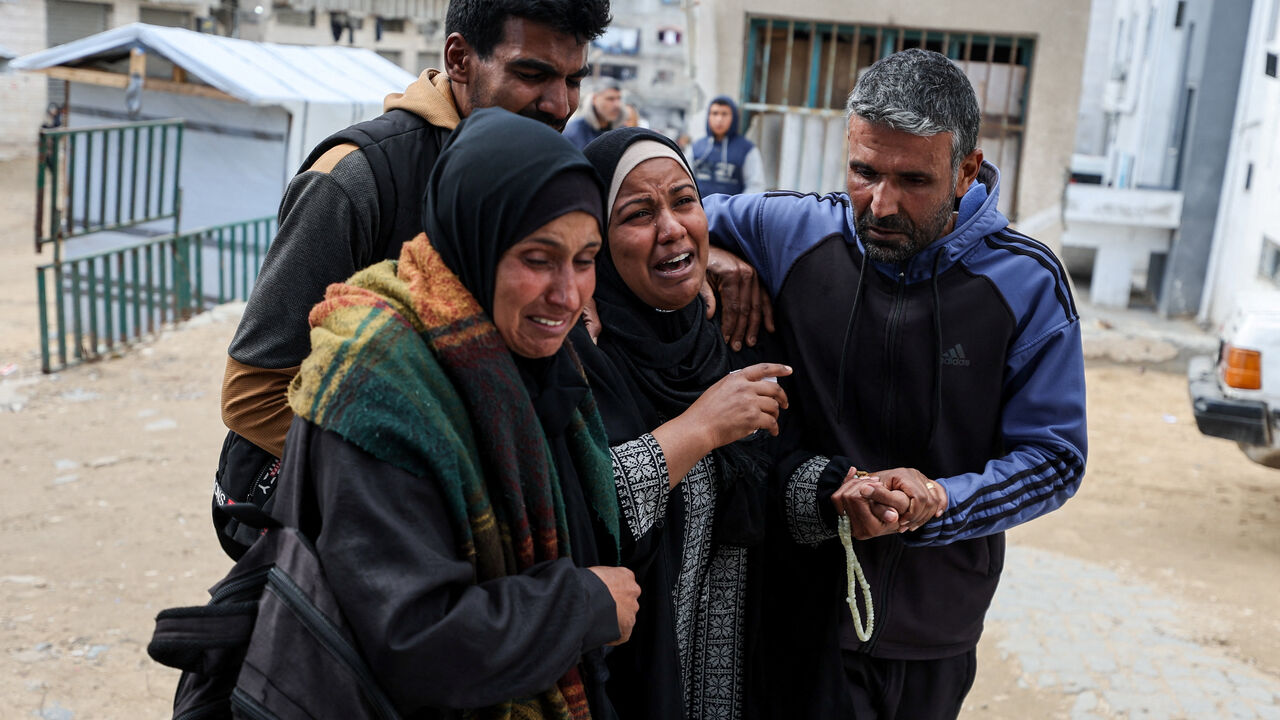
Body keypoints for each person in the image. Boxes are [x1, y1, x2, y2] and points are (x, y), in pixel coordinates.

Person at [702, 48, 1088, 719]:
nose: (880, 204)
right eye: (863, 172)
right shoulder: (792, 230)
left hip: (929, 629)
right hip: (791, 606)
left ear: (967, 170)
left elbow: (1055, 458)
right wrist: (711, 252)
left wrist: (939, 501)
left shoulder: (1026, 283)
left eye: (912, 179)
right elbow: (644, 211)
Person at [271, 108, 639, 718]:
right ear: (477, 237)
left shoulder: (532, 360)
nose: (568, 293)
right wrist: (581, 606)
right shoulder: (383, 381)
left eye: (584, 258)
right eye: (538, 258)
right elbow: (412, 639)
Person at [214, 0, 612, 558]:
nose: (560, 104)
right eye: (532, 74)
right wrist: (424, 480)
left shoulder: (539, 172)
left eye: (574, 80)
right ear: (459, 58)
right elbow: (252, 395)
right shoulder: (356, 179)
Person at [570, 127, 897, 720]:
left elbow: (774, 475)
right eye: (638, 213)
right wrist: (698, 429)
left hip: (741, 682)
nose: (671, 227)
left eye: (684, 200)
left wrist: (838, 496)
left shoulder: (732, 332)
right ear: (595, 238)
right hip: (633, 684)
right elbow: (572, 513)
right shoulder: (578, 356)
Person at [688, 96, 765, 196]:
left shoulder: (747, 149)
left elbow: (755, 186)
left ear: (734, 117)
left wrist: (736, 208)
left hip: (732, 211)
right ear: (708, 116)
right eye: (715, 113)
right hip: (698, 209)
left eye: (724, 114)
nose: (719, 119)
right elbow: (685, 181)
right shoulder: (696, 147)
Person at [564, 81, 623, 149]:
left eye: (619, 99)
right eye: (610, 99)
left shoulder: (623, 131)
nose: (617, 105)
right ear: (594, 99)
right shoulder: (573, 133)